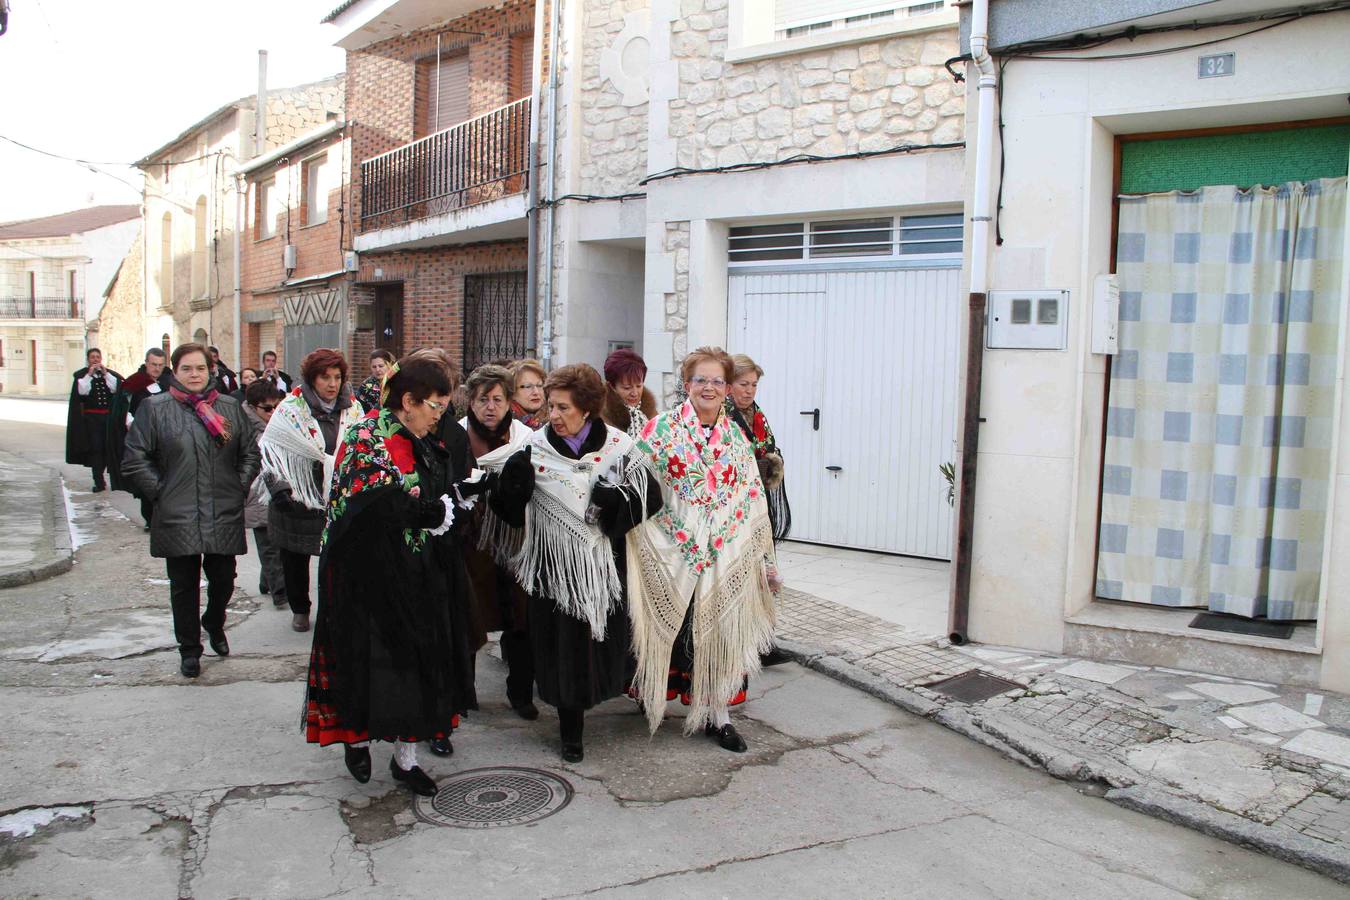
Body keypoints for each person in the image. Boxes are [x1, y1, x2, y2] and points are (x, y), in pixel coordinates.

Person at [303, 351, 478, 796]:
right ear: (408, 400)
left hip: (416, 570)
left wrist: (459, 495)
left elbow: (436, 488)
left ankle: (406, 759)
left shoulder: (424, 438)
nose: (439, 416)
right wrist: (429, 511)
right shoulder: (366, 437)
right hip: (364, 574)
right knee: (367, 659)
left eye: (443, 407)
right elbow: (372, 503)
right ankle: (356, 738)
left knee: (417, 660)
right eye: (434, 406)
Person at [498, 363, 660, 762]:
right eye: (551, 406)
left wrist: (613, 506)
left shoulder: (619, 447)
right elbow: (508, 512)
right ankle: (571, 731)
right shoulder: (533, 448)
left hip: (604, 566)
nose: (553, 415)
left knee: (602, 645)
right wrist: (513, 486)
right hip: (554, 569)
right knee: (561, 649)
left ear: (587, 409)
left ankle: (612, 701)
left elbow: (651, 498)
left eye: (563, 408)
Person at [628, 347, 782, 753]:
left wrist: (763, 559)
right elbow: (633, 483)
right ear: (687, 384)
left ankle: (718, 716)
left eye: (717, 381)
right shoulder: (659, 430)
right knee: (674, 629)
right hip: (673, 551)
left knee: (721, 633)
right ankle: (651, 693)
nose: (709, 388)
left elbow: (751, 497)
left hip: (724, 553)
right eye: (701, 380)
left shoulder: (735, 438)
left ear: (728, 388)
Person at [121, 342, 259, 678]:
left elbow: (250, 454)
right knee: (183, 584)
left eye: (200, 368)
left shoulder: (229, 407)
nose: (194, 375)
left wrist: (237, 486)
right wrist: (161, 492)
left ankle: (214, 621)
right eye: (186, 368)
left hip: (222, 508)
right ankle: (189, 649)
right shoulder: (155, 408)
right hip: (177, 511)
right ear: (175, 372)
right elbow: (135, 458)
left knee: (224, 578)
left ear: (211, 370)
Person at [259, 348, 363, 632]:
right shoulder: (290, 409)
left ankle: (331, 608)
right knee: (294, 559)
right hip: (297, 497)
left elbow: (362, 448)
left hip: (336, 498)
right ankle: (300, 609)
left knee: (335, 560)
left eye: (337, 377)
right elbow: (272, 451)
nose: (332, 384)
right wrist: (280, 490)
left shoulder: (353, 409)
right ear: (311, 379)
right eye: (324, 377)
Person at [458, 364, 537, 720]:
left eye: (498, 399)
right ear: (470, 402)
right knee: (469, 616)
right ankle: (464, 694)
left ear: (509, 402)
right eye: (482, 400)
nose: (490, 407)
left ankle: (521, 695)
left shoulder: (525, 438)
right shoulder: (456, 437)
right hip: (471, 541)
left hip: (516, 540)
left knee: (521, 619)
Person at [726, 354, 794, 667]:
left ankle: (764, 640)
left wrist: (771, 461)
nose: (750, 390)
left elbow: (769, 447)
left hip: (758, 505)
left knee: (764, 574)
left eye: (754, 384)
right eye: (743, 384)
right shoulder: (723, 417)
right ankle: (742, 643)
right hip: (735, 509)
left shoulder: (757, 415)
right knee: (742, 577)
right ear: (729, 385)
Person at [109, 348, 168, 527]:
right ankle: (150, 518)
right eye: (154, 365)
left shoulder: (167, 382)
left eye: (160, 365)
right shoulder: (134, 383)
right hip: (143, 440)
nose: (157, 369)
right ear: (146, 363)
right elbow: (124, 412)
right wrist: (138, 428)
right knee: (147, 480)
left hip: (166, 439)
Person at [243, 380, 287, 610]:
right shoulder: (245, 427)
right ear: (253, 407)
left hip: (277, 491)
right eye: (266, 408)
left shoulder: (274, 425)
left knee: (275, 542)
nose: (272, 412)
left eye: (275, 406)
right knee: (268, 544)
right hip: (257, 492)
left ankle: (266, 581)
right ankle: (280, 591)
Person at [65, 348, 124, 492]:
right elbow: (82, 392)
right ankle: (99, 481)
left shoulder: (108, 375)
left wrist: (105, 374)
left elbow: (116, 388)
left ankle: (110, 479)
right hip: (92, 421)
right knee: (96, 450)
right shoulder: (82, 376)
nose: (95, 360)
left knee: (107, 449)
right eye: (92, 357)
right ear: (88, 359)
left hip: (107, 419)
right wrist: (89, 375)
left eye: (98, 357)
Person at [600, 347, 658, 439]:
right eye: (627, 388)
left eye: (639, 386)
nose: (635, 393)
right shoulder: (600, 418)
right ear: (611, 386)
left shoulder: (650, 414)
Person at [509, 358, 548, 430]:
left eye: (539, 385)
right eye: (528, 386)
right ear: (513, 392)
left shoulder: (554, 420)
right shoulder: (506, 423)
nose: (536, 392)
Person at [354, 348, 396, 413]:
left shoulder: (397, 381)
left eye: (381, 366)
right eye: (374, 367)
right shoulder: (366, 386)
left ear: (388, 365)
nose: (377, 370)